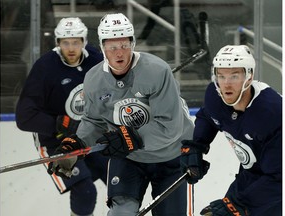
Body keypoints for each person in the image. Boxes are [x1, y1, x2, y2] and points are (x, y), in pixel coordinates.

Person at [47, 13, 195, 216]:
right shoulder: (94, 79)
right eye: (112, 47)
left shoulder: (158, 71)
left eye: (124, 45)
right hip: (129, 158)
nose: (119, 53)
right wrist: (77, 143)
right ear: (102, 47)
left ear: (133, 43)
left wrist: (129, 136)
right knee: (121, 213)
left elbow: (169, 126)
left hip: (172, 156)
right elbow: (94, 120)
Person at [15, 17, 109, 216]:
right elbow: (24, 117)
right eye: (66, 43)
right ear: (58, 43)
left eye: (76, 42)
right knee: (85, 190)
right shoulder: (45, 67)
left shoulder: (96, 59)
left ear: (84, 41)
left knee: (120, 179)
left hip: (91, 135)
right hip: (55, 141)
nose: (71, 48)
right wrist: (60, 123)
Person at [180, 45, 282, 216]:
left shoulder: (272, 112)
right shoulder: (215, 96)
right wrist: (197, 145)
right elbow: (207, 116)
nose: (226, 84)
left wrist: (239, 205)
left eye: (234, 76)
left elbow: (279, 177)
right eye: (221, 76)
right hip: (250, 175)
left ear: (249, 77)